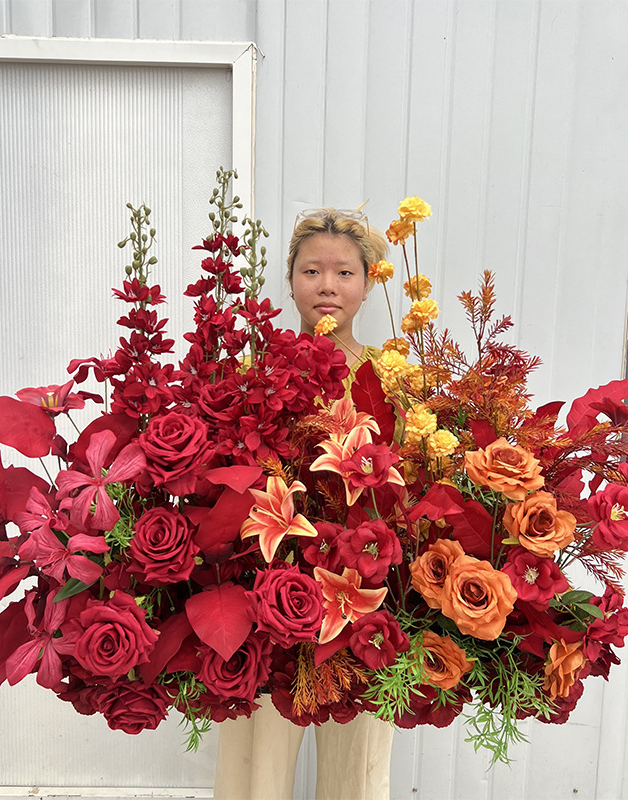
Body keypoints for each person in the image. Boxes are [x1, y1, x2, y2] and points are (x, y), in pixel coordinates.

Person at [213, 208, 394, 800]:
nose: (327, 286)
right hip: (266, 591)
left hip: (363, 591)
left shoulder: (394, 374)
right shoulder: (253, 370)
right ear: (290, 280)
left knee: (359, 767)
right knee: (255, 763)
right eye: (311, 270)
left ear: (368, 283)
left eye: (344, 273)